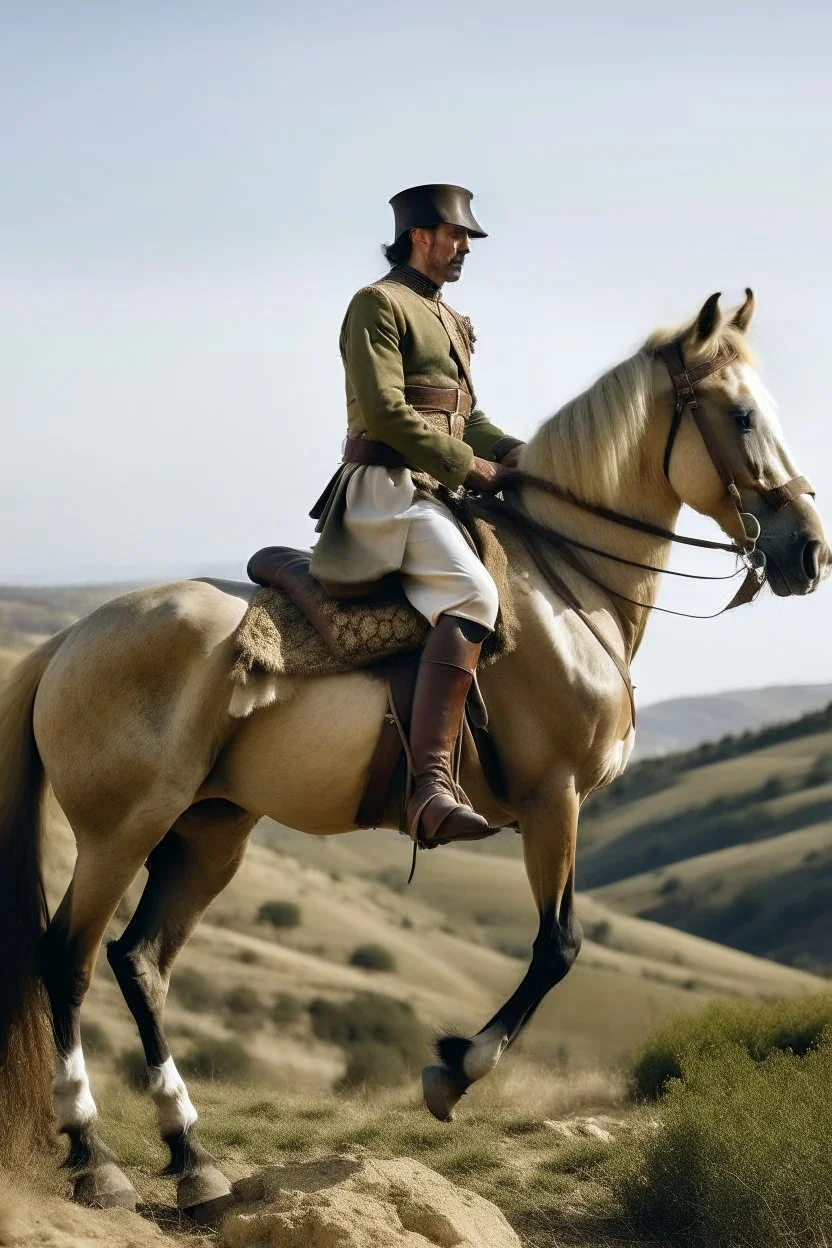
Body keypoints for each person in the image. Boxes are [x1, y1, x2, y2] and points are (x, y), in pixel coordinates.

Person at [310, 184, 524, 846]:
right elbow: (386, 415)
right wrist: (473, 467)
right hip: (386, 487)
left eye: (467, 239)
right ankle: (430, 784)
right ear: (419, 236)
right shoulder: (377, 304)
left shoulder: (451, 318)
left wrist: (520, 453)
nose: (464, 249)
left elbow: (465, 416)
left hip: (436, 487)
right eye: (456, 236)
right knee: (472, 593)